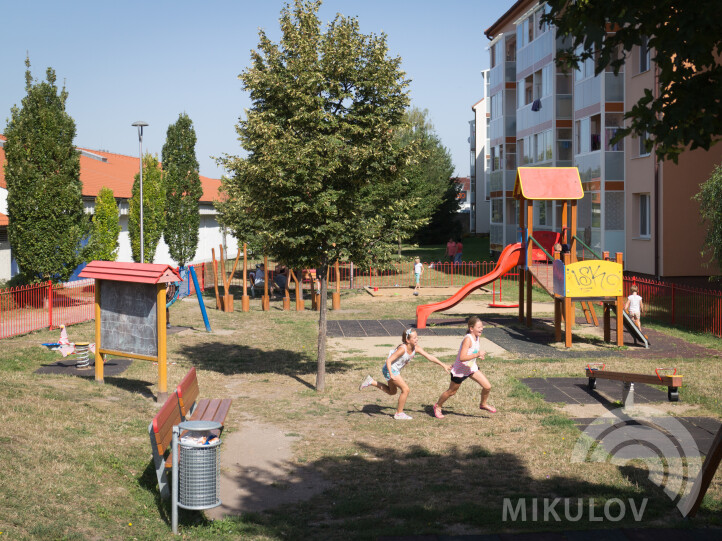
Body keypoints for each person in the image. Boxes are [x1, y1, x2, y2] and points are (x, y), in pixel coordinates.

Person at [359, 328, 451, 420]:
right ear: (407, 340)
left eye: (417, 337)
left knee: (392, 392)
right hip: (390, 369)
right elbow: (389, 360)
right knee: (405, 389)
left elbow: (429, 357)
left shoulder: (416, 348)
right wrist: (391, 374)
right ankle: (399, 413)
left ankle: (371, 382)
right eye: (414, 338)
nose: (417, 339)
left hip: (393, 370)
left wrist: (443, 365)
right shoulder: (402, 349)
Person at [433, 316, 495, 418]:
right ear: (471, 328)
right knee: (451, 392)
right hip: (460, 371)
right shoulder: (468, 339)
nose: (482, 328)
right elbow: (462, 357)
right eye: (479, 327)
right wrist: (477, 354)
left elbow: (473, 351)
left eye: (482, 326)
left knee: (487, 386)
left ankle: (483, 404)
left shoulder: (477, 337)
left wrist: (479, 355)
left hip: (471, 368)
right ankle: (438, 406)